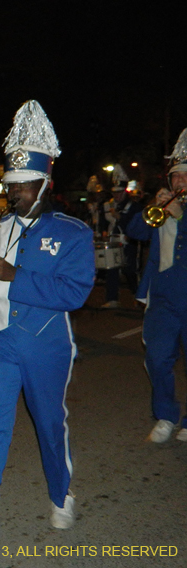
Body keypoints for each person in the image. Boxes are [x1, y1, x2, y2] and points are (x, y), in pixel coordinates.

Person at [0, 100, 94, 545]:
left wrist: (15, 276)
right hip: (1, 343)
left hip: (46, 343)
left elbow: (74, 292)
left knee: (48, 423)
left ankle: (62, 496)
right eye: (11, 185)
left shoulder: (72, 232)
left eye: (25, 185)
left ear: (45, 184)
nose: (15, 193)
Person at [125, 127, 187, 443]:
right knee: (157, 358)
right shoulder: (163, 206)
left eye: (186, 176)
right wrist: (153, 205)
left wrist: (181, 218)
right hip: (162, 297)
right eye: (176, 176)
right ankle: (166, 414)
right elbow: (135, 231)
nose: (180, 182)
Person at [101, 170, 142, 309]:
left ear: (125, 192)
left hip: (128, 241)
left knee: (130, 270)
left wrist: (121, 218)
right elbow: (103, 221)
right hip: (113, 240)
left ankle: (138, 295)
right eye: (114, 193)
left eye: (119, 192)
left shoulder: (134, 206)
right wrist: (104, 231)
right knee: (111, 269)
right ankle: (112, 298)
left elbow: (136, 224)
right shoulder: (108, 205)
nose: (116, 195)